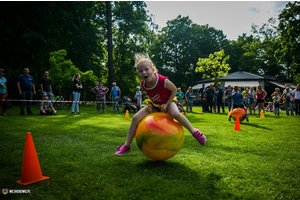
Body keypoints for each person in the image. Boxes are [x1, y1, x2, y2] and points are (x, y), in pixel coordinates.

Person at [115, 53, 206, 156]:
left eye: (146, 69)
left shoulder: (163, 81)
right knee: (135, 118)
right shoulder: (143, 84)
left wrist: (167, 104)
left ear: (153, 70)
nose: (144, 72)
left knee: (175, 114)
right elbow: (152, 95)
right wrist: (150, 105)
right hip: (156, 106)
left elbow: (174, 90)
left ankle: (194, 132)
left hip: (170, 102)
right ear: (138, 74)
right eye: (140, 71)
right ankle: (127, 145)